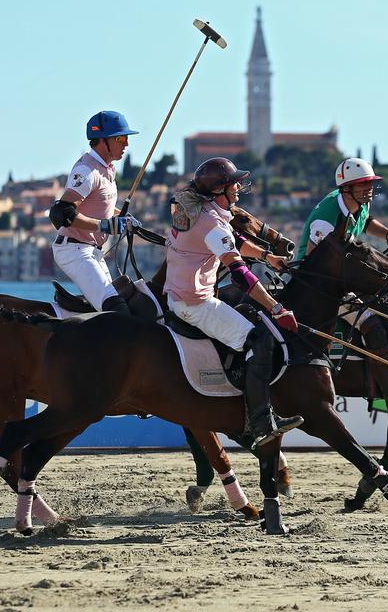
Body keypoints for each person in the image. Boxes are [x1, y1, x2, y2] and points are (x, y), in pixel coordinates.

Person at [165, 157, 303, 446]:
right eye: (234, 184)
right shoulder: (211, 222)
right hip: (195, 304)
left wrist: (267, 257)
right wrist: (276, 308)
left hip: (181, 295)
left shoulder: (197, 208)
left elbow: (234, 241)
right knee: (260, 341)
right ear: (219, 190)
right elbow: (239, 273)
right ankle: (261, 423)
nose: (239, 188)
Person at [295, 157, 388, 413]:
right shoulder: (327, 215)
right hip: (316, 286)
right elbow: (314, 262)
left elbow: (366, 222)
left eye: (370, 183)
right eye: (363, 184)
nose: (369, 189)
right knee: (371, 323)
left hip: (342, 279)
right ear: (346, 188)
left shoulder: (359, 203)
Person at [48, 111, 143, 315]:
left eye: (126, 138)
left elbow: (101, 206)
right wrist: (105, 225)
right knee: (116, 311)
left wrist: (122, 218)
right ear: (101, 141)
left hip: (94, 251)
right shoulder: (86, 172)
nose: (126, 144)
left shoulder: (108, 169)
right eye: (120, 138)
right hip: (74, 251)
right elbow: (63, 214)